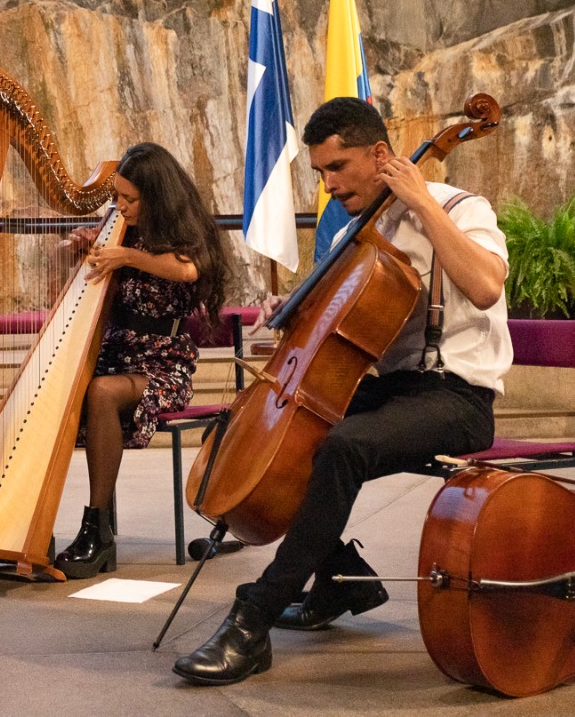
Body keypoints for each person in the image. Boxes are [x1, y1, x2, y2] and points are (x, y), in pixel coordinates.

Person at [174, 97, 510, 686]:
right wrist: (295, 308)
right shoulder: (363, 232)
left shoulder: (461, 207)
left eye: (338, 167)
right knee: (289, 437)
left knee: (345, 445)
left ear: (381, 156)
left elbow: (484, 288)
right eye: (321, 172)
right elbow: (343, 319)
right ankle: (340, 579)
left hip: (458, 399)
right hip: (396, 390)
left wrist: (423, 203)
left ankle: (255, 616)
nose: (328, 184)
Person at [53, 143, 232, 580]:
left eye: (130, 199)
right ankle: (31, 525)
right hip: (112, 352)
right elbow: (67, 279)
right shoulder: (118, 227)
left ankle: (96, 528)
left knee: (100, 391)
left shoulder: (185, 235)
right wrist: (71, 249)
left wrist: (127, 257)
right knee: (58, 390)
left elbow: (188, 269)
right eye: (117, 197)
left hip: (161, 362)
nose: (120, 206)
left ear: (157, 196)